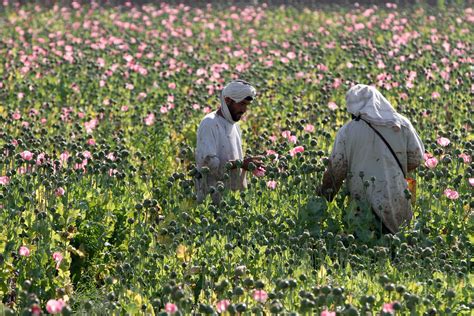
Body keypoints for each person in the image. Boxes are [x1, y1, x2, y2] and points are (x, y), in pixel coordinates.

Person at [318, 84, 424, 235]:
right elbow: (416, 159)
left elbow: (337, 171)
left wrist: (322, 199)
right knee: (399, 241)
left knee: (365, 245)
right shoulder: (401, 124)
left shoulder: (347, 131)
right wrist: (390, 169)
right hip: (397, 198)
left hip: (361, 206)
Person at [195, 79, 262, 204]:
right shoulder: (209, 123)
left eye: (246, 105)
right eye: (241, 104)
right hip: (211, 199)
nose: (244, 109)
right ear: (227, 100)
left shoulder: (234, 125)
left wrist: (249, 164)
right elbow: (207, 164)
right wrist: (241, 164)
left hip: (232, 198)